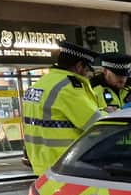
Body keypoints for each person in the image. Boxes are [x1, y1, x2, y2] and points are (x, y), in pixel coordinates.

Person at [23, 40, 104, 175]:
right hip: (65, 164)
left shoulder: (40, 84)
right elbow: (96, 124)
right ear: (79, 66)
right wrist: (112, 114)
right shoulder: (68, 88)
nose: (88, 73)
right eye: (87, 69)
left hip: (40, 163)